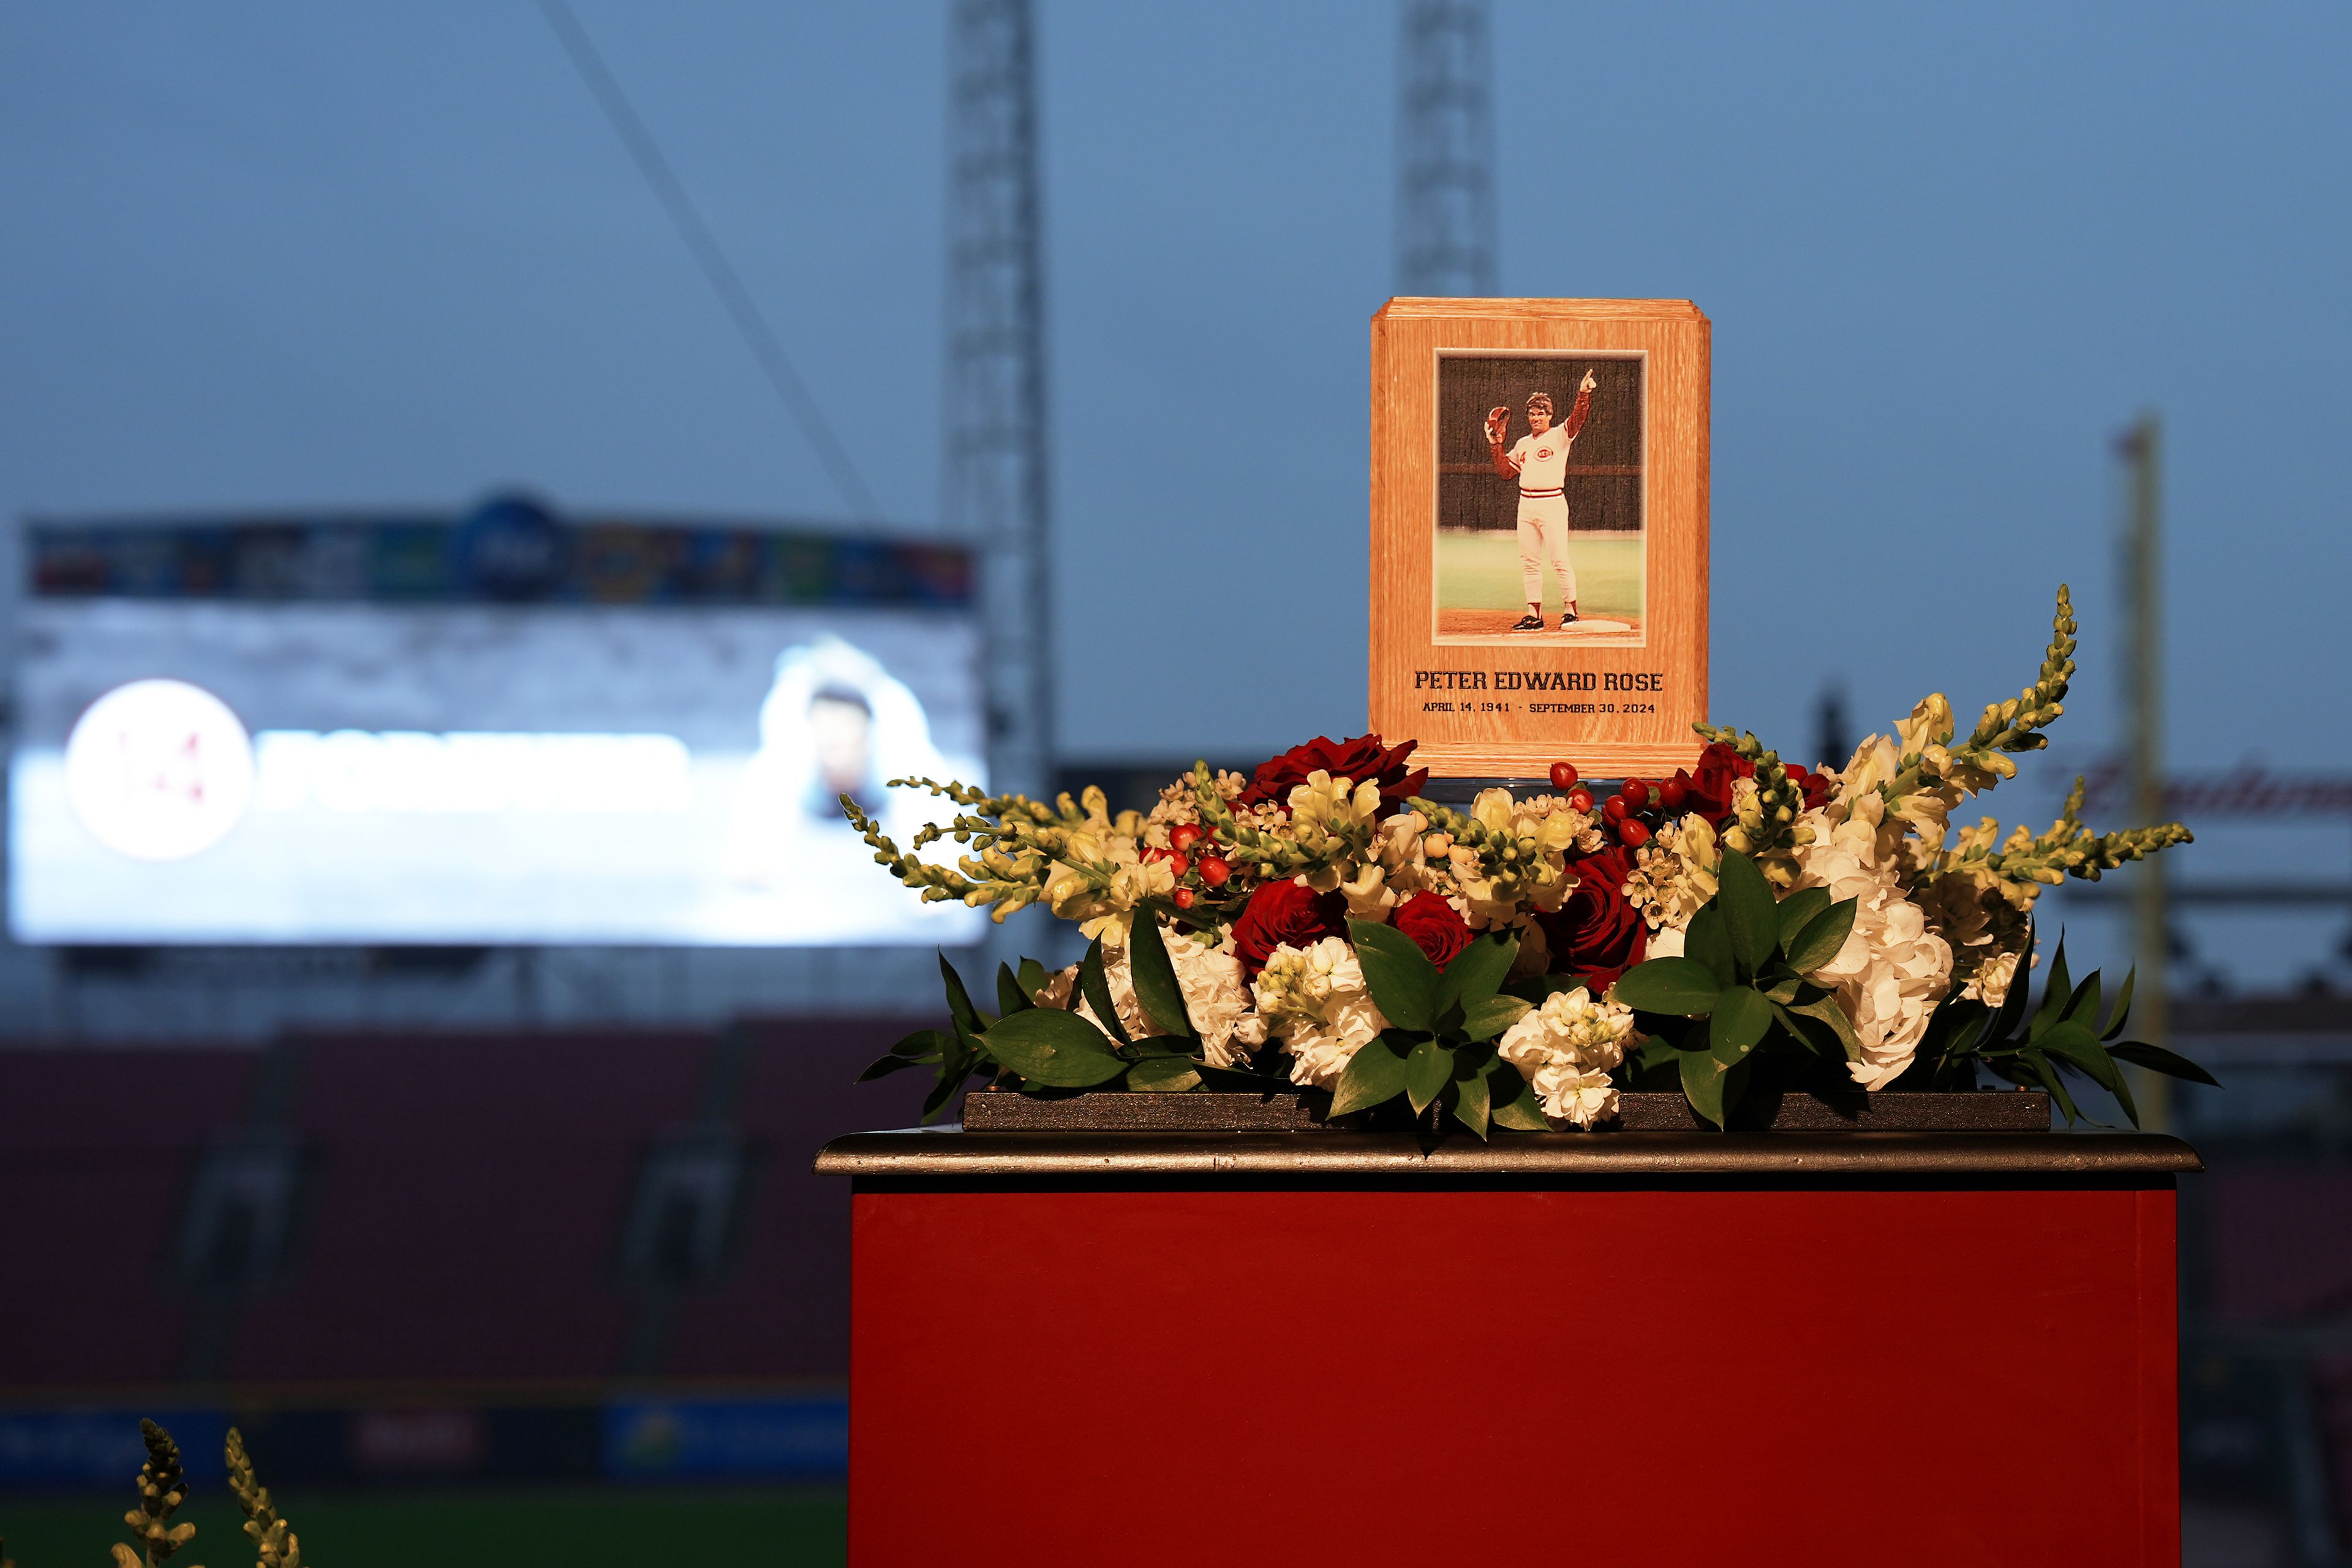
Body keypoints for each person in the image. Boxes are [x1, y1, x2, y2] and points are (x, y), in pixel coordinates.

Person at [1485, 369, 1597, 630]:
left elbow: (1578, 420)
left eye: (1541, 413)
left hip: (1552, 503)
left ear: (1550, 415)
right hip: (1526, 505)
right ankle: (1534, 616)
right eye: (1533, 414)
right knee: (1529, 562)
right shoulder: (1523, 443)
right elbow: (1505, 472)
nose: (1536, 417)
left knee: (1559, 560)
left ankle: (1571, 611)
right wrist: (1495, 444)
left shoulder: (1559, 435)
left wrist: (1583, 394)